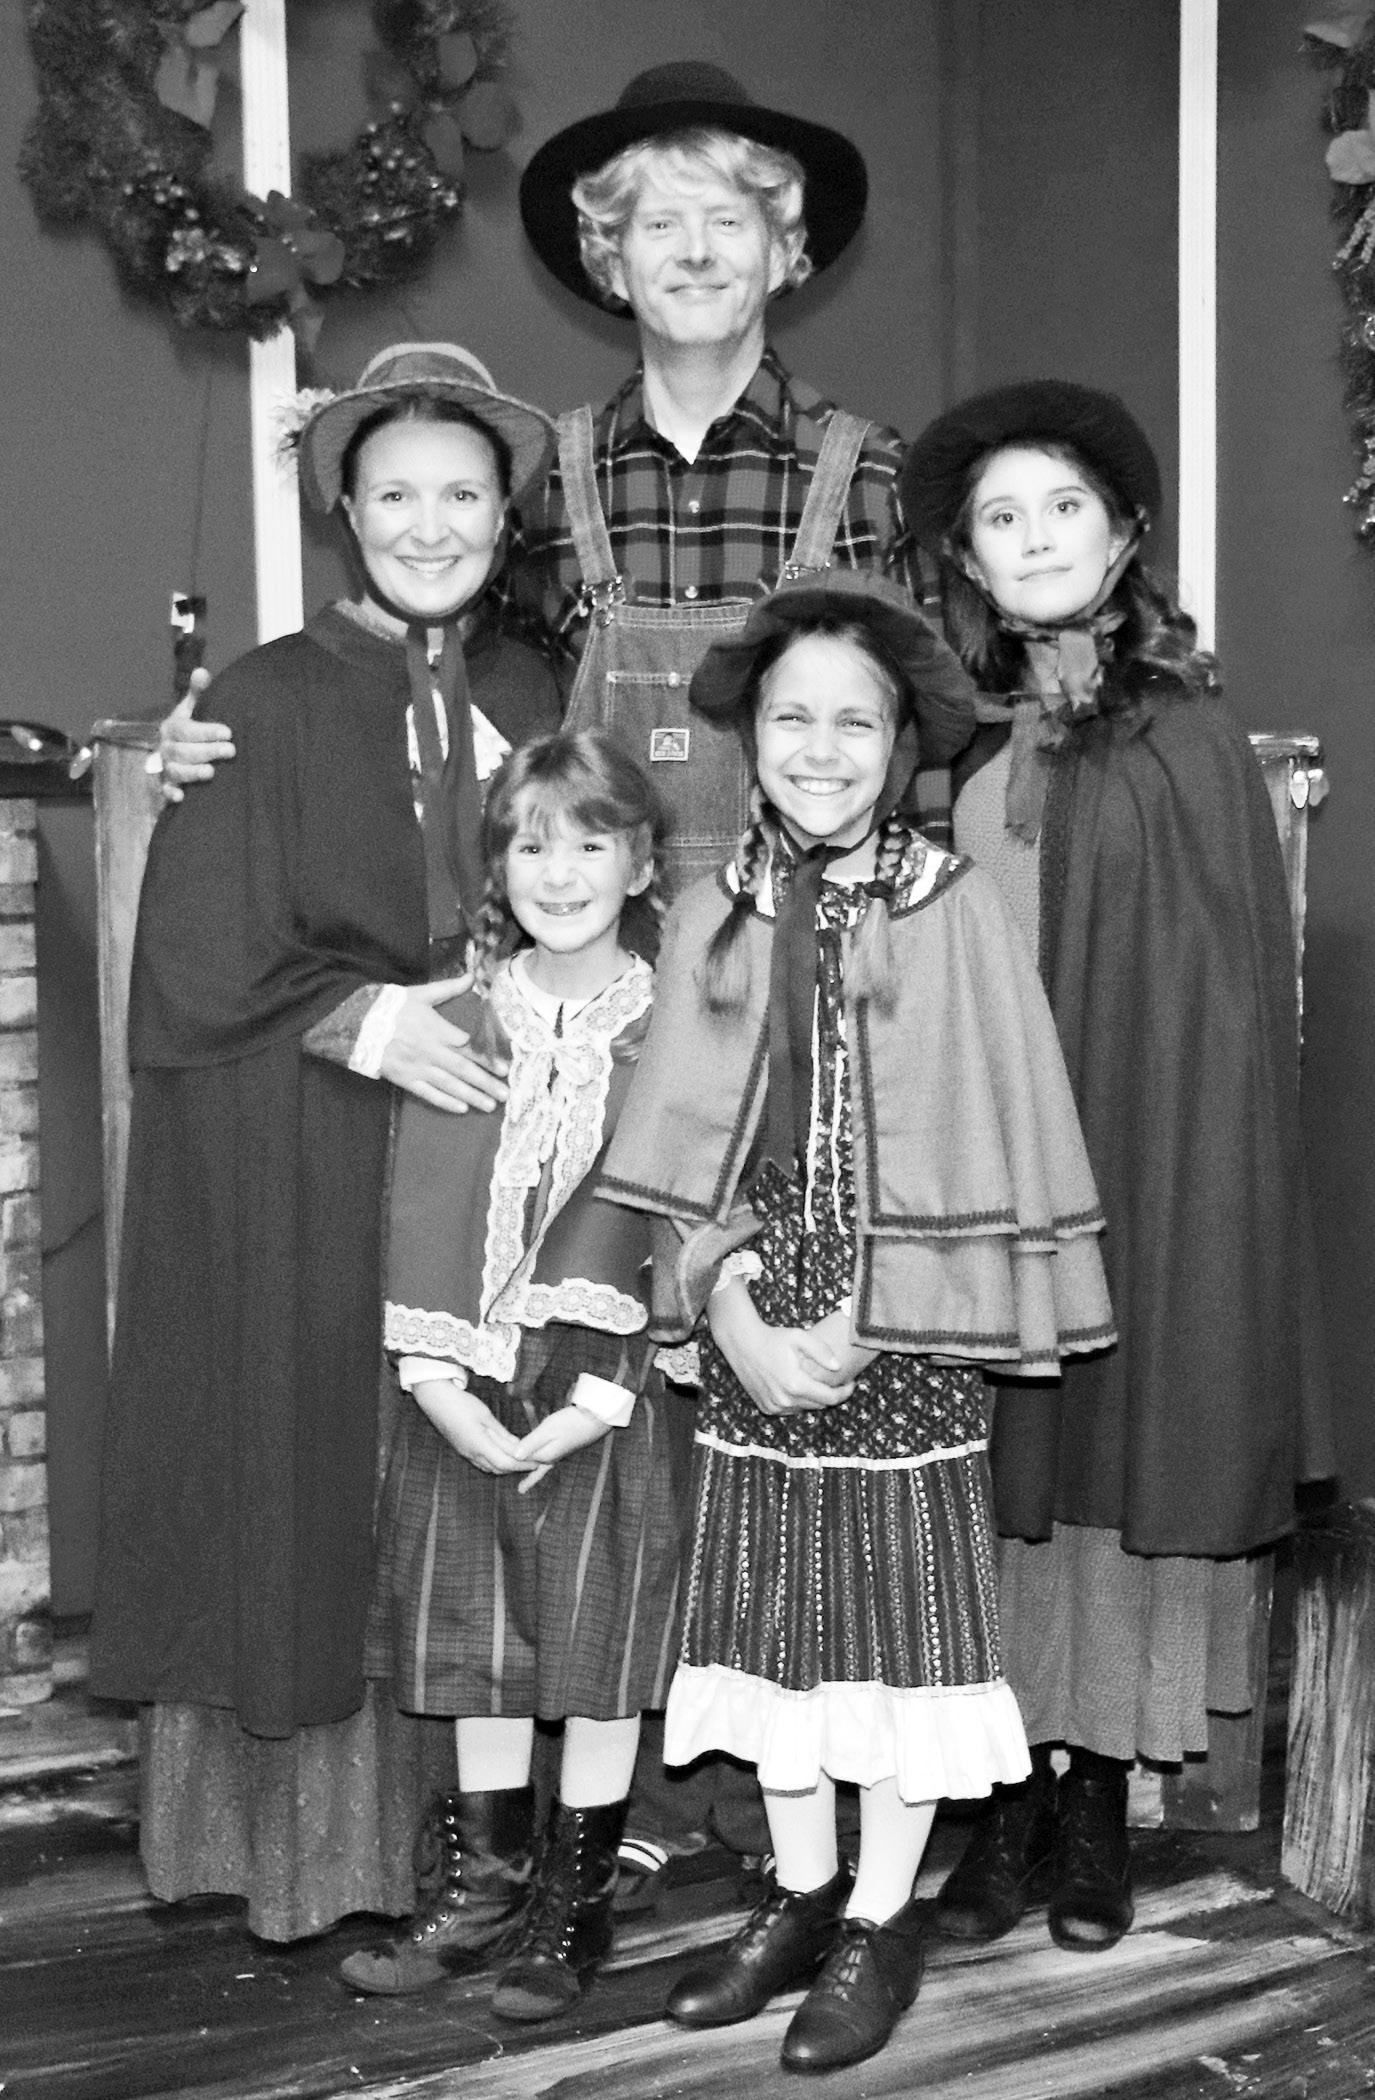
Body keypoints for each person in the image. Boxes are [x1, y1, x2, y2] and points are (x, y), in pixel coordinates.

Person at [155, 55, 923, 1898]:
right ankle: (569, 1807)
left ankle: (764, 1787)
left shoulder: (872, 471)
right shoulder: (555, 483)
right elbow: (462, 735)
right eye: (656, 222)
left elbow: (925, 719)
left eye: (727, 220)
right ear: (605, 256)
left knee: (767, 1361)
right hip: (582, 1021)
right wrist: (200, 750)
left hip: (793, 982)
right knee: (578, 1391)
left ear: (785, 250)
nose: (693, 251)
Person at [599, 569, 1116, 2073]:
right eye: (791, 717)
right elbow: (680, 1142)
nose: (818, 748)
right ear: (751, 734)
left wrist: (868, 1326)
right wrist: (731, 1313)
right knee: (773, 1619)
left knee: (897, 1631)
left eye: (853, 722)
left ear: (898, 746)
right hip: (757, 1324)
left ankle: (883, 1919)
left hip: (905, 1334)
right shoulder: (714, 911)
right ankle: (801, 1893)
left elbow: (980, 1131)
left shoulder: (949, 910)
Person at [87, 343, 560, 1941]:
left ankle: (490, 1842)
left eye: (463, 495)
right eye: (396, 495)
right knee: (315, 1476)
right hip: (309, 1155)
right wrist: (363, 1019)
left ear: (505, 513)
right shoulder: (260, 700)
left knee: (468, 1486)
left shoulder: (533, 697)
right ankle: (313, 1855)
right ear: (345, 512)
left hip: (489, 1162)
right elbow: (196, 953)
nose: (432, 525)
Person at [898, 381, 1333, 1955]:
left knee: (1110, 1471)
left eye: (1063, 509)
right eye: (1002, 518)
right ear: (968, 557)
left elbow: (1223, 999)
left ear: (1125, 534)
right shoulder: (948, 741)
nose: (1035, 539)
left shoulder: (1188, 737)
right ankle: (1001, 1805)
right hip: (983, 1174)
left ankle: (1091, 1809)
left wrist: (1172, 1166)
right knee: (996, 1485)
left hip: (1138, 1162)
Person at [338, 728, 692, 2018]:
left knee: (597, 1638)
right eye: (533, 845)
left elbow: (687, 1210)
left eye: (592, 843)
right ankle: (486, 1888)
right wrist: (434, 1382)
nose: (561, 872)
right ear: (498, 867)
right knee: (472, 1630)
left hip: (613, 1382)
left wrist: (607, 1390)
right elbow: (409, 1194)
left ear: (641, 862)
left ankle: (573, 1904)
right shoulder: (457, 1016)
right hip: (460, 1370)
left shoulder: (679, 1024)